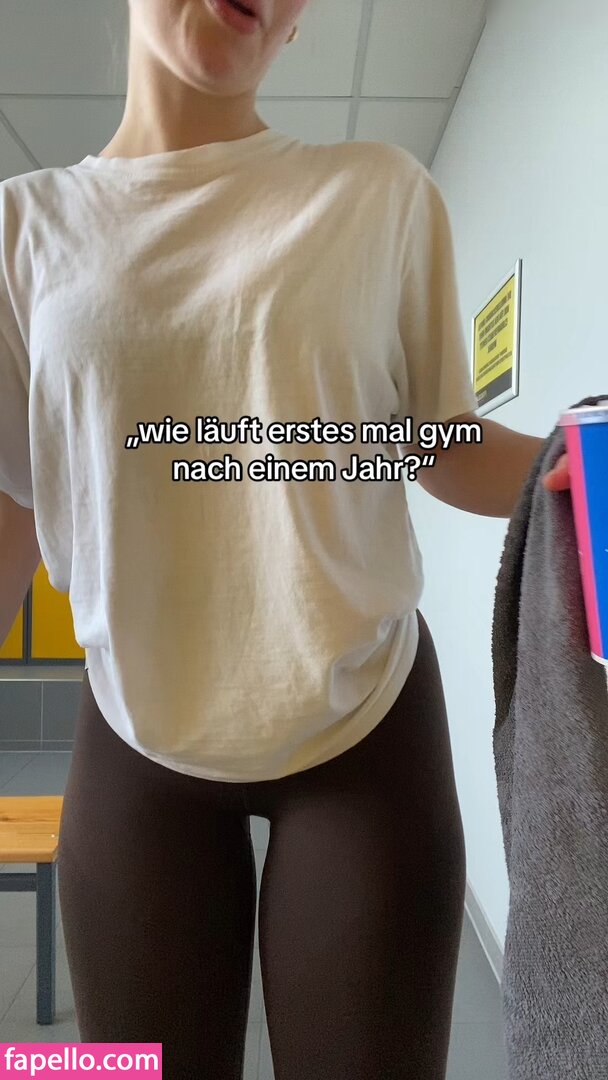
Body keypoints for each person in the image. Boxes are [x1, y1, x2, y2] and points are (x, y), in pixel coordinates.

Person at [0, 1, 570, 1077]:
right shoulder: (20, 231)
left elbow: (438, 444)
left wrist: (583, 471)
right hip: (135, 734)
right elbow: (20, 505)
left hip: (363, 725)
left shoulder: (379, 194)